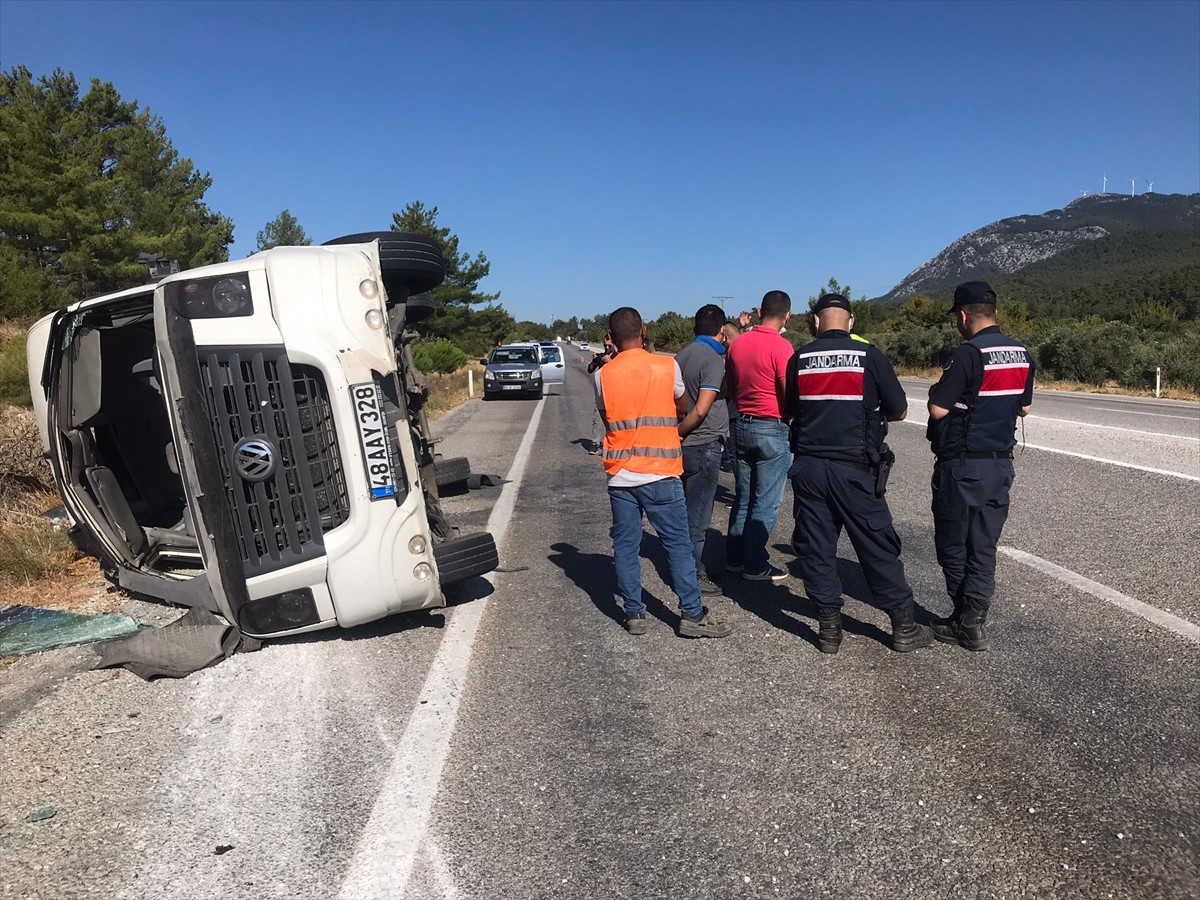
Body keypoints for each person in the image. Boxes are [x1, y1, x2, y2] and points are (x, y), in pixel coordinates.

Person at [786, 294, 932, 653]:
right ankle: (903, 625)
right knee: (877, 545)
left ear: (816, 321)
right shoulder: (869, 355)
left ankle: (829, 629)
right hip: (854, 471)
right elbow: (899, 410)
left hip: (810, 468)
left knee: (816, 549)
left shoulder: (799, 359)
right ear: (851, 322)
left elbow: (790, 410)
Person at [595, 307, 733, 639]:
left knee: (626, 545)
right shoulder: (666, 365)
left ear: (611, 338)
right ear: (644, 331)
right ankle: (692, 614)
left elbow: (606, 416)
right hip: (660, 471)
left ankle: (634, 613)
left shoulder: (603, 374)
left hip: (621, 473)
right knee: (678, 544)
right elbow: (682, 406)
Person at [927, 281, 1034, 651]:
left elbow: (937, 409)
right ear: (994, 312)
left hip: (962, 467)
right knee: (983, 546)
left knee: (953, 545)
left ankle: (964, 620)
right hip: (1000, 465)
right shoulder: (1021, 352)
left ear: (962, 316)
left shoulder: (967, 355)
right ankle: (974, 619)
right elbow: (1024, 407)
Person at [724, 290, 794, 582]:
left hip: (741, 424)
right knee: (766, 500)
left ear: (760, 311)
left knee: (744, 496)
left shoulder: (738, 344)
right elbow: (788, 393)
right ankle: (755, 563)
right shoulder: (782, 347)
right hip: (771, 426)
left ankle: (735, 557)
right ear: (787, 315)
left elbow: (729, 386)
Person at [675, 304, 731, 595]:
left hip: (687, 446)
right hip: (703, 442)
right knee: (697, 515)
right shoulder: (711, 359)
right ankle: (692, 575)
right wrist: (678, 433)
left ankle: (689, 567)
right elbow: (700, 410)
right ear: (721, 330)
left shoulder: (681, 355)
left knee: (686, 509)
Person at [587, 338, 617, 454]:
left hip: (615, 392)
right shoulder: (601, 356)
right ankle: (595, 443)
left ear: (614, 345)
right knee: (597, 418)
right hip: (601, 392)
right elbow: (590, 370)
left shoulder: (618, 357)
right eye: (605, 345)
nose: (607, 348)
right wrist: (594, 361)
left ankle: (613, 443)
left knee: (614, 420)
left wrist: (611, 362)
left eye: (609, 346)